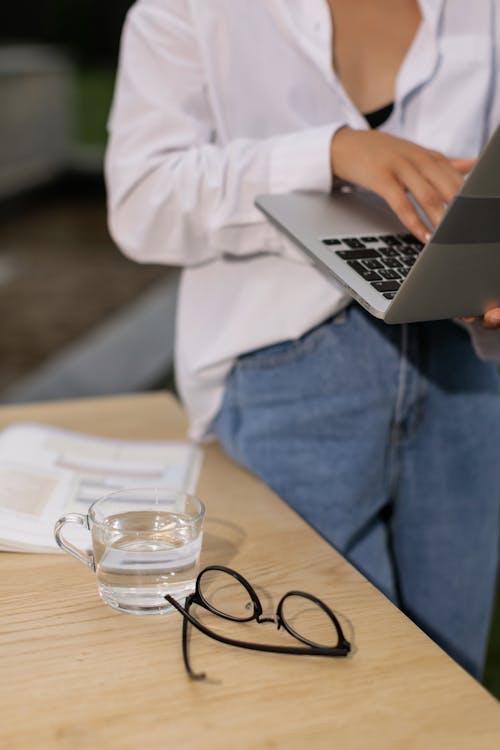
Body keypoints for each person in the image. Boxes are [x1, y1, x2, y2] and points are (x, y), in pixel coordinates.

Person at [105, 0, 500, 679]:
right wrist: (329, 152)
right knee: (330, 683)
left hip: (466, 376)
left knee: (448, 684)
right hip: (294, 377)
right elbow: (141, 199)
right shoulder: (187, 11)